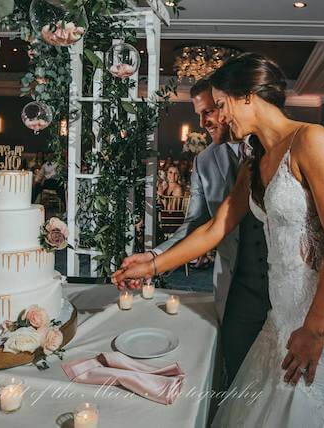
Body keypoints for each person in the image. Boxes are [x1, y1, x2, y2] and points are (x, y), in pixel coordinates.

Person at [112, 53, 324, 426]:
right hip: (281, 319)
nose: (218, 117)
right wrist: (152, 263)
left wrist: (314, 328)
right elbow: (216, 227)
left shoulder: (311, 140)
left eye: (221, 105)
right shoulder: (255, 159)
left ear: (248, 96)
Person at [119, 74, 269, 387]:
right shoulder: (205, 161)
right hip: (230, 280)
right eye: (198, 113)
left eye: (209, 112)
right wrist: (153, 254)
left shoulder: (273, 149)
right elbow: (198, 223)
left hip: (279, 283)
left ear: (230, 104)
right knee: (237, 366)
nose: (203, 122)